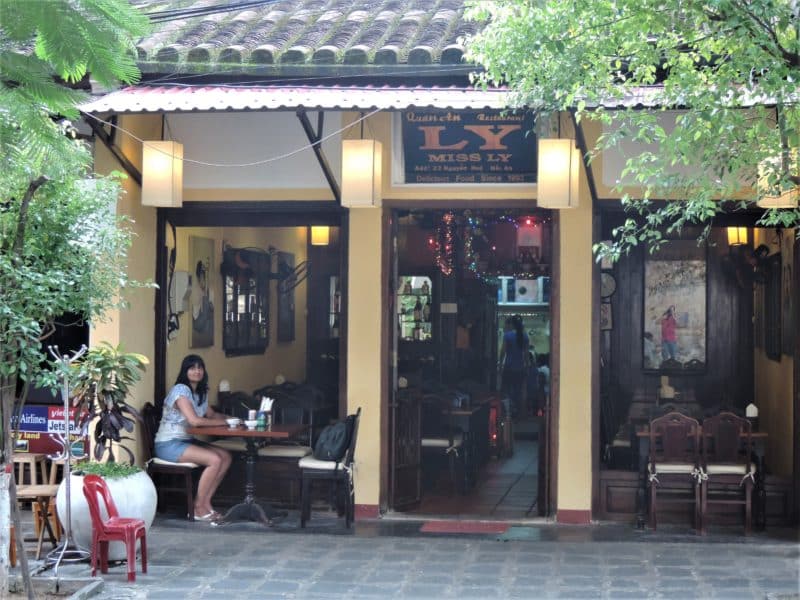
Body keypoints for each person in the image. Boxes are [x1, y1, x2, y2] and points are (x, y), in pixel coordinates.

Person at [154, 354, 232, 522]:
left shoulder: (199, 392)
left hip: (185, 441)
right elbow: (195, 421)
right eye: (192, 368)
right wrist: (223, 422)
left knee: (225, 456)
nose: (197, 371)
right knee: (214, 460)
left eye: (200, 367)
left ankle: (206, 503)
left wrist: (232, 420)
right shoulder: (180, 390)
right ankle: (197, 507)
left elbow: (212, 414)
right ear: (185, 371)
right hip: (168, 444)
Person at [499, 315, 530, 417]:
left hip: (508, 367)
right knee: (518, 391)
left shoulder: (507, 335)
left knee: (507, 391)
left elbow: (503, 351)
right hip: (520, 368)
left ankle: (508, 413)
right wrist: (527, 367)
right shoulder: (525, 336)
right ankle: (518, 413)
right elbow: (526, 354)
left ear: (512, 324)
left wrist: (500, 364)